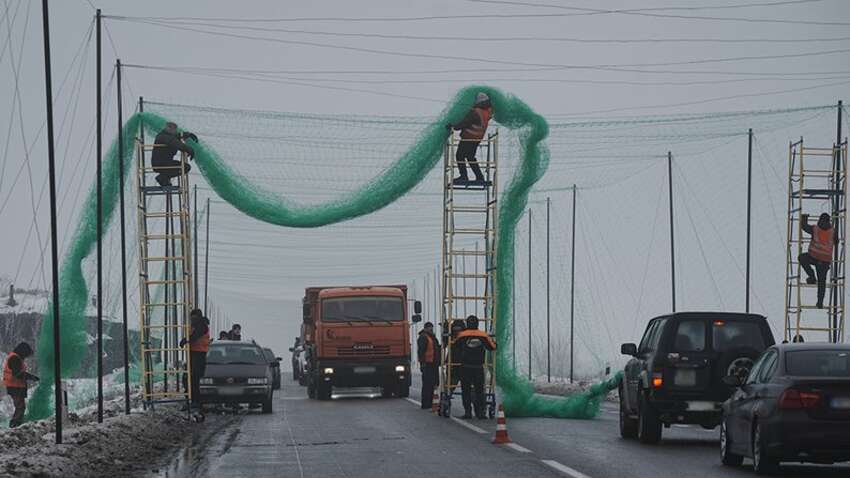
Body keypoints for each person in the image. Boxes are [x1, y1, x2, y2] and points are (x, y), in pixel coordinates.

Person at [456, 315, 496, 419]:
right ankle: (480, 413)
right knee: (479, 391)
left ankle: (467, 412)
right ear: (477, 324)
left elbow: (456, 346)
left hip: (465, 367)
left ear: (467, 324)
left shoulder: (462, 335)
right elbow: (492, 347)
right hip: (478, 367)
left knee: (466, 390)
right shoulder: (483, 335)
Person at [447, 92, 493, 185]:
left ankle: (464, 176)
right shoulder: (487, 112)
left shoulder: (475, 112)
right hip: (477, 139)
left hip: (468, 137)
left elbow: (465, 122)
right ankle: (479, 177)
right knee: (470, 157)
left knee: (460, 156)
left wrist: (453, 126)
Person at [799, 213, 837, 309]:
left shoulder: (815, 229)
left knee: (802, 258)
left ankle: (811, 276)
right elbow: (836, 241)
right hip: (824, 261)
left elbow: (804, 226)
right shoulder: (832, 232)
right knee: (822, 282)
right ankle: (820, 302)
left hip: (813, 257)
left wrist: (804, 217)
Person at [3, 342, 39, 428]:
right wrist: (31, 377)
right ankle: (14, 425)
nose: (26, 357)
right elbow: (17, 374)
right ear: (23, 351)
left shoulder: (16, 357)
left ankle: (16, 424)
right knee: (20, 407)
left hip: (16, 386)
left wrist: (31, 377)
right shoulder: (15, 358)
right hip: (15, 387)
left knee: (20, 406)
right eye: (27, 354)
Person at [151, 122, 198, 187]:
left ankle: (165, 178)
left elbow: (176, 136)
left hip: (166, 162)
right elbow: (174, 142)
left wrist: (188, 134)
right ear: (169, 128)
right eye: (174, 130)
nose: (175, 131)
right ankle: (162, 177)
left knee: (184, 166)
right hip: (161, 164)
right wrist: (188, 149)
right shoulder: (162, 137)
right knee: (185, 167)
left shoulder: (166, 136)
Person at [180, 309, 209, 409]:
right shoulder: (196, 325)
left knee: (193, 378)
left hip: (199, 354)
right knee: (188, 377)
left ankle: (195, 401)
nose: (192, 319)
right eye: (191, 317)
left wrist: (185, 340)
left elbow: (195, 336)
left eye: (194, 317)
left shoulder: (201, 325)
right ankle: (191, 399)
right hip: (193, 353)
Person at [417, 322, 441, 410]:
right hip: (427, 364)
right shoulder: (424, 337)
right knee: (427, 384)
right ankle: (426, 403)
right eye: (429, 327)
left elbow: (437, 349)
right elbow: (421, 351)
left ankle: (431, 402)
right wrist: (422, 364)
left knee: (433, 383)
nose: (431, 329)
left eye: (431, 327)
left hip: (433, 364)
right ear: (425, 328)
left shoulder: (432, 338)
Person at [446, 320, 466, 397]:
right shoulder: (451, 336)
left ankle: (447, 395)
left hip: (457, 364)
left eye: (458, 330)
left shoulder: (452, 337)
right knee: (450, 385)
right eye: (456, 330)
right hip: (456, 365)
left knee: (451, 385)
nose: (457, 332)